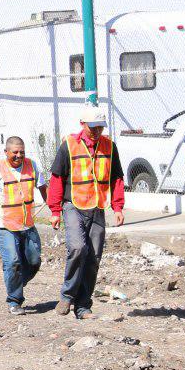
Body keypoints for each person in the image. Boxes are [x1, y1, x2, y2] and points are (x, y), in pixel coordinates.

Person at [47, 106, 125, 320]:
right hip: (73, 205)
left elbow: (116, 178)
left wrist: (117, 207)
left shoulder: (110, 147)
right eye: (93, 127)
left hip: (97, 207)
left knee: (93, 257)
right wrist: (55, 210)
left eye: (100, 127)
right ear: (83, 125)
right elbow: (56, 179)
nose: (97, 131)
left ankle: (83, 307)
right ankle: (67, 295)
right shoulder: (69, 146)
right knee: (77, 247)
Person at [0, 136, 43, 315]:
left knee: (35, 261)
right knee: (12, 262)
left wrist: (54, 208)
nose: (19, 156)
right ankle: (14, 300)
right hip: (4, 223)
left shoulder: (32, 165)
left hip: (27, 224)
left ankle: (16, 282)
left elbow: (43, 186)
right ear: (6, 152)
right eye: (15, 152)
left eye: (22, 152)